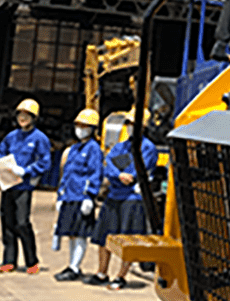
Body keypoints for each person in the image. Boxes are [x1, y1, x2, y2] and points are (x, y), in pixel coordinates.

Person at [84, 113, 159, 290]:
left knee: (128, 240)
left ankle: (121, 276)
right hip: (114, 196)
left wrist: (123, 175)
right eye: (129, 124)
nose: (131, 127)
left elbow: (136, 172)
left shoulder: (147, 148)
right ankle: (101, 272)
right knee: (104, 236)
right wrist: (118, 175)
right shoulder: (121, 147)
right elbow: (109, 165)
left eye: (134, 124)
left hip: (132, 199)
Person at [0, 98, 51, 274]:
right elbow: (1, 152)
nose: (23, 118)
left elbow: (45, 162)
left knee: (22, 223)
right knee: (7, 222)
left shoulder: (39, 138)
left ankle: (32, 261)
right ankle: (9, 260)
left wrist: (26, 171)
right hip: (9, 185)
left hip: (24, 187)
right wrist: (5, 166)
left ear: (34, 118)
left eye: (27, 115)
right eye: (20, 114)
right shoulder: (11, 137)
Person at [51, 108, 103, 282]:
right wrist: (61, 195)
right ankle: (72, 264)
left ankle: (75, 267)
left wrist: (90, 196)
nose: (80, 129)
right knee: (71, 233)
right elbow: (66, 173)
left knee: (80, 234)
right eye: (78, 125)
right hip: (69, 196)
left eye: (84, 126)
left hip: (81, 197)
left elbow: (95, 173)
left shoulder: (93, 149)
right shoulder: (74, 148)